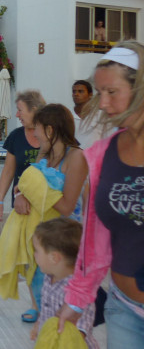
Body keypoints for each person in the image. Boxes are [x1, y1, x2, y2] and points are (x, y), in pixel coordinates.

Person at [58, 42, 144, 347]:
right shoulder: (102, 154)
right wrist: (77, 299)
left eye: (112, 92)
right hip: (124, 310)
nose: (103, 103)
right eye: (99, 92)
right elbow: (95, 238)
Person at [0, 90, 45, 321]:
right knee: (29, 257)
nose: (17, 114)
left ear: (34, 110)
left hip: (46, 207)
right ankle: (36, 305)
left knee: (47, 257)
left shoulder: (52, 135)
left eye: (21, 110)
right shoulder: (15, 136)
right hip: (22, 208)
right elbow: (8, 170)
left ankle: (49, 304)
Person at [30, 218, 99, 348]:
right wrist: (40, 324)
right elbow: (47, 309)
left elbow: (80, 331)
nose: (34, 255)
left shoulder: (79, 292)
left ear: (54, 257)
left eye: (37, 250)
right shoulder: (48, 277)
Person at [72, 80, 104, 150]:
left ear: (90, 95)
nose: (76, 94)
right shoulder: (67, 117)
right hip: (74, 156)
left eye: (80, 91)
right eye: (74, 91)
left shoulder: (101, 116)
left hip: (96, 156)